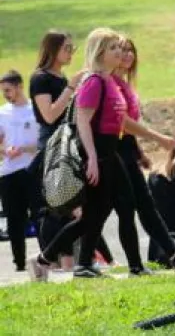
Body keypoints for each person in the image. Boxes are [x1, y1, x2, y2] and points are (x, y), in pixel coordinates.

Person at [27, 28, 146, 280]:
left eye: (119, 47)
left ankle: (131, 266)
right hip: (98, 153)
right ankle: (52, 260)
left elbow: (120, 120)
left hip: (110, 151)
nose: (119, 52)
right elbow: (82, 120)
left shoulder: (109, 81)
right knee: (96, 215)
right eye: (113, 48)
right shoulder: (93, 81)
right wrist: (91, 158)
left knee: (117, 209)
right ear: (100, 52)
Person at [112, 35, 175, 271]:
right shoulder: (110, 84)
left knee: (142, 206)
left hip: (125, 152)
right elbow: (121, 123)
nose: (128, 55)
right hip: (112, 154)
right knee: (111, 213)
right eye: (122, 50)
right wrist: (157, 138)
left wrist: (139, 153)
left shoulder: (124, 84)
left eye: (131, 50)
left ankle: (170, 255)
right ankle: (52, 257)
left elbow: (128, 128)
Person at [28, 31, 85, 259]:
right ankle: (52, 259)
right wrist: (71, 88)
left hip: (68, 142)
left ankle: (70, 259)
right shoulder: (40, 78)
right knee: (55, 205)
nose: (71, 53)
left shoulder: (61, 79)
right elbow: (49, 115)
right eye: (67, 49)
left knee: (69, 204)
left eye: (73, 48)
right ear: (53, 50)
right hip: (52, 146)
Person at [0, 70, 39, 272]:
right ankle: (20, 263)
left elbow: (43, 141)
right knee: (14, 219)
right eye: (3, 91)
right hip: (8, 173)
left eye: (8, 90)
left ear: (19, 86)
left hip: (32, 170)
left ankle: (46, 257)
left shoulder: (35, 109)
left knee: (39, 214)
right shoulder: (2, 113)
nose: (6, 94)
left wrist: (24, 149)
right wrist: (6, 150)